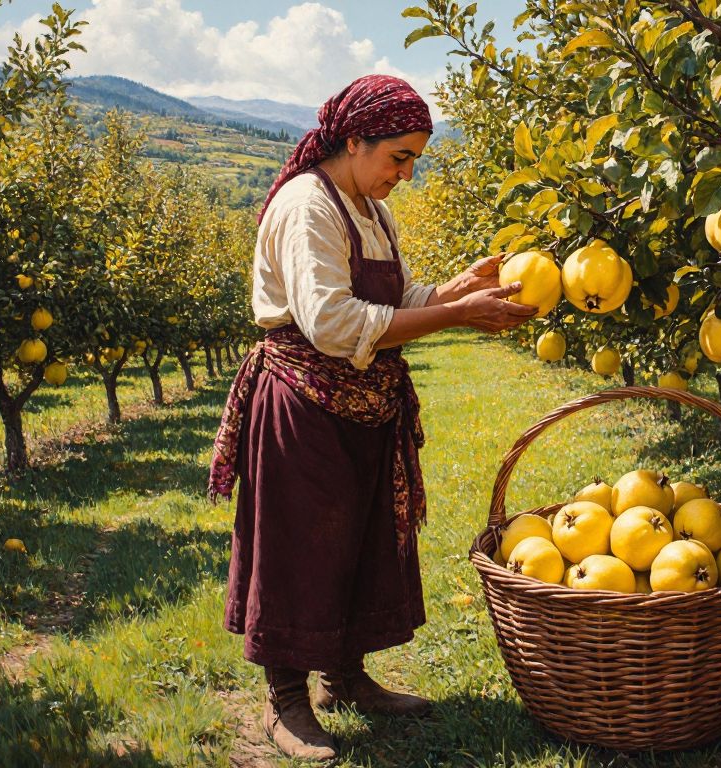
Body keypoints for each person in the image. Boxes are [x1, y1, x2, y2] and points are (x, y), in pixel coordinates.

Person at [207, 74, 535, 760]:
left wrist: (455, 289)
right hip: (303, 399)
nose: (407, 174)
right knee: (301, 547)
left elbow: (394, 293)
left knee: (355, 539)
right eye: (399, 157)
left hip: (362, 401)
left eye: (415, 159)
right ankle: (286, 701)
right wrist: (455, 315)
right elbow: (331, 322)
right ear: (354, 141)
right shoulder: (308, 206)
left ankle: (345, 678)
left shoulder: (368, 206)